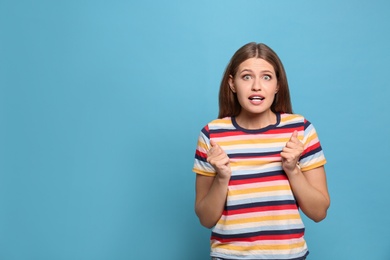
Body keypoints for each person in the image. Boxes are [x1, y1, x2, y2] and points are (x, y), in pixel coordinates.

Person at [192, 42, 330, 260]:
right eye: (246, 76)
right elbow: (206, 219)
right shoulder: (212, 135)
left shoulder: (300, 130)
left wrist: (292, 170)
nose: (256, 86)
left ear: (277, 85)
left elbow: (319, 212)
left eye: (266, 77)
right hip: (229, 256)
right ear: (232, 83)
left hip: (289, 256)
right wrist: (222, 177)